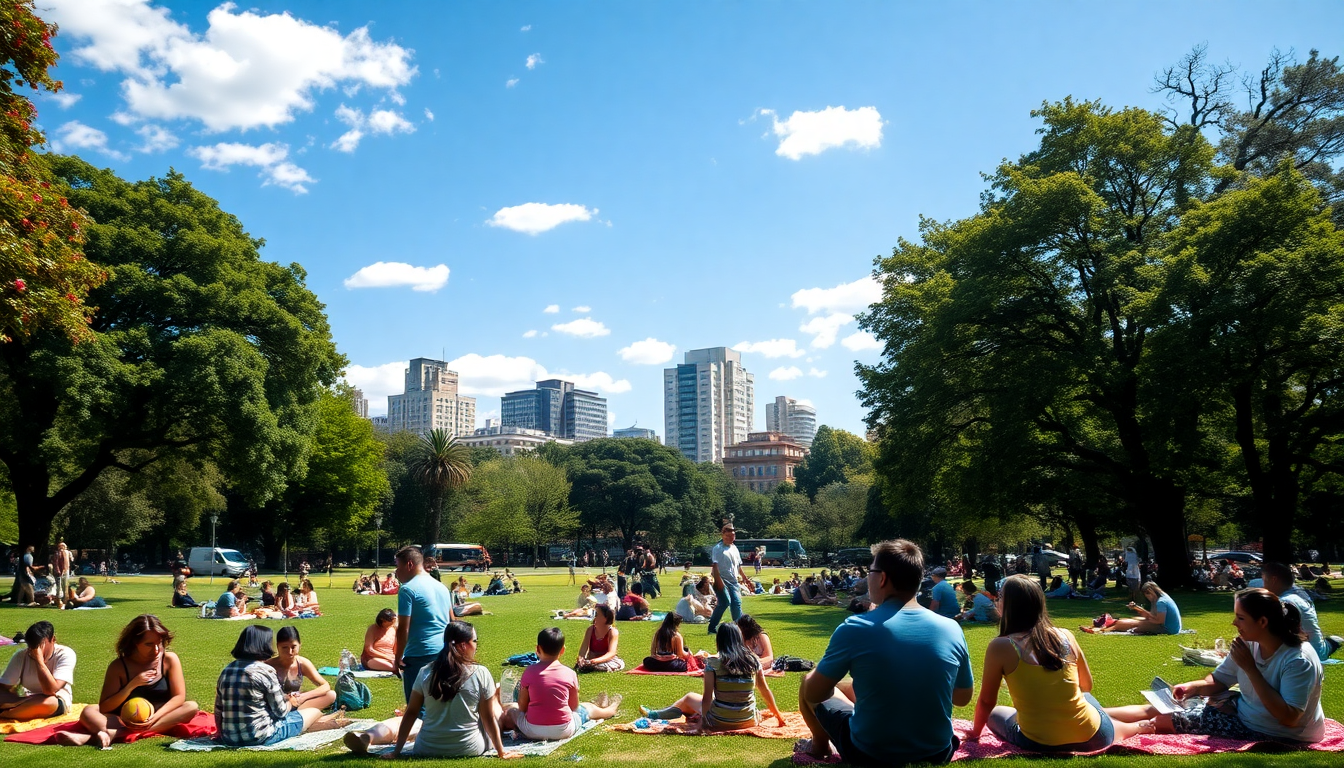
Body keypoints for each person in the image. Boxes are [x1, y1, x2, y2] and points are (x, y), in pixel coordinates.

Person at [798, 540, 974, 765]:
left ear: (882, 578)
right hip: (938, 751)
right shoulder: (951, 628)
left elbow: (815, 693)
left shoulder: (856, 628)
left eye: (870, 570)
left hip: (869, 752)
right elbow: (962, 698)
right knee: (849, 686)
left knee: (807, 680)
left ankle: (819, 747)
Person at [1106, 588, 1326, 743]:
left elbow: (1289, 717)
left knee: (1163, 720)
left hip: (1274, 732)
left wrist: (1250, 669)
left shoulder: (1298, 659)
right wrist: (1194, 687)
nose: (1234, 623)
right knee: (1164, 706)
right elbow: (1220, 680)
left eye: (1240, 618)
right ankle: (1096, 713)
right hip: (1243, 713)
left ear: (1262, 622)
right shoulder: (1249, 645)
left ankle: (1099, 729)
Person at [966, 576, 1145, 752]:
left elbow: (987, 701)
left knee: (996, 713)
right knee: (1088, 701)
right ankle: (1149, 722)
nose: (997, 601)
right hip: (1094, 737)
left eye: (1000, 597)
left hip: (1039, 742)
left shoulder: (1001, 646)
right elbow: (1086, 685)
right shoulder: (1065, 635)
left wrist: (975, 733)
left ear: (1009, 605)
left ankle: (1145, 721)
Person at [343, 621, 521, 758]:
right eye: (475, 641)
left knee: (415, 721)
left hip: (427, 747)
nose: (476, 645)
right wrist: (500, 751)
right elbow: (487, 717)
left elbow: (411, 713)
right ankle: (500, 696)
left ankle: (368, 736)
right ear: (464, 645)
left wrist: (397, 751)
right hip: (468, 748)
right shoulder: (480, 672)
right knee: (494, 712)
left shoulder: (426, 671)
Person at [56, 614, 200, 747]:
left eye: (160, 643)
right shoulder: (118, 667)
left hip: (162, 716)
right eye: (149, 644)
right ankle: (125, 732)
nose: (156, 649)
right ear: (135, 643)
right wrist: (131, 685)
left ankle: (106, 736)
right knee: (88, 711)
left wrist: (154, 718)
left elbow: (179, 697)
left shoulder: (169, 659)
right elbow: (105, 707)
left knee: (191, 707)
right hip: (125, 720)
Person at [639, 623, 786, 732]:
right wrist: (779, 717)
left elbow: (707, 697)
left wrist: (701, 725)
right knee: (723, 696)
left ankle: (656, 714)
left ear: (719, 641)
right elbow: (765, 691)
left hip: (719, 721)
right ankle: (670, 712)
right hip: (748, 721)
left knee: (689, 698)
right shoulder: (753, 661)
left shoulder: (713, 664)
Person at [214, 625, 340, 746]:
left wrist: (221, 734)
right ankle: (318, 723)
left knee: (324, 699)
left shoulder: (227, 670)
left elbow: (219, 709)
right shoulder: (266, 670)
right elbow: (280, 712)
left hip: (229, 738)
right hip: (261, 736)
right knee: (314, 712)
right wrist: (291, 701)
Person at [498, 627, 622, 741]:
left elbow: (523, 707)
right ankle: (610, 710)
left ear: (537, 649)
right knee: (587, 708)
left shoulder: (529, 672)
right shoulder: (569, 673)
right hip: (563, 730)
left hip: (532, 730)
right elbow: (574, 707)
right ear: (562, 650)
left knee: (510, 710)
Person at [394, 546, 456, 703]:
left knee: (417, 706)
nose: (396, 572)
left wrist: (397, 657)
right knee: (439, 703)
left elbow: (403, 628)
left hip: (419, 653)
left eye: (398, 566)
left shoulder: (407, 589)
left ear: (409, 565)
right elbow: (452, 621)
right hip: (443, 651)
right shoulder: (441, 587)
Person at [1262, 561, 1342, 660]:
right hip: (1316, 650)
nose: (1263, 586)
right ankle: (1331, 643)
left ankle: (1332, 643)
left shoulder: (1285, 602)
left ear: (1273, 580)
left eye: (1264, 581)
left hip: (1306, 654)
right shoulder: (1297, 594)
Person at [0, 621, 76, 721]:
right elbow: (3, 687)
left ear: (53, 639)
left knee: (48, 703)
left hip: (55, 699)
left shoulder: (65, 654)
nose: (34, 651)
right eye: (32, 646)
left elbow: (50, 690)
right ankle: (17, 710)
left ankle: (6, 713)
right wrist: (15, 699)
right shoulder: (21, 656)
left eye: (40, 646)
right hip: (24, 699)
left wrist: (39, 661)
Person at [265, 626, 336, 711]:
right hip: (275, 705)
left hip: (297, 702)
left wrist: (303, 697)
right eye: (284, 647)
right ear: (277, 647)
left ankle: (298, 714)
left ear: (299, 645)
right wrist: (286, 698)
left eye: (293, 647)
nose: (290, 652)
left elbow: (325, 685)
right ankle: (301, 715)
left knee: (331, 695)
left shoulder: (302, 663)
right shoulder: (268, 666)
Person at [1082, 581, 1181, 635]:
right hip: (1165, 625)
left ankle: (1099, 631)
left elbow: (1159, 621)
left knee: (1127, 624)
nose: (1147, 597)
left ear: (1151, 591)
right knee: (1129, 620)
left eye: (1147, 595)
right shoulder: (1160, 598)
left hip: (1168, 629)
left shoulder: (1161, 602)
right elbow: (1152, 617)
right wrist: (1137, 609)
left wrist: (1141, 613)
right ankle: (1100, 627)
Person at [708, 522, 751, 634]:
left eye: (732, 536)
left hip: (733, 581)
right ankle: (712, 628)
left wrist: (745, 579)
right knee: (726, 601)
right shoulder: (718, 549)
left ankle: (738, 628)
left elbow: (738, 566)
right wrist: (719, 583)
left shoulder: (734, 548)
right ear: (722, 535)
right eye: (728, 536)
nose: (731, 538)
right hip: (721, 579)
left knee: (736, 603)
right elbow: (715, 567)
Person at [575, 604, 624, 672]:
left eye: (596, 614)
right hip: (592, 660)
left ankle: (595, 667)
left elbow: (611, 653)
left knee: (616, 664)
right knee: (582, 664)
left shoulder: (612, 632)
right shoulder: (590, 630)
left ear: (605, 618)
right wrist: (581, 659)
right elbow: (583, 650)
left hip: (606, 661)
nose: (594, 617)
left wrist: (596, 661)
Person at [50, 542, 74, 611]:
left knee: (65, 586)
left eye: (63, 546)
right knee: (59, 587)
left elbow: (71, 560)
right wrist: (58, 571)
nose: (62, 547)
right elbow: (55, 563)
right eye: (60, 546)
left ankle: (65, 601)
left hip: (66, 571)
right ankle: (59, 601)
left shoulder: (67, 552)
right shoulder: (57, 554)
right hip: (59, 572)